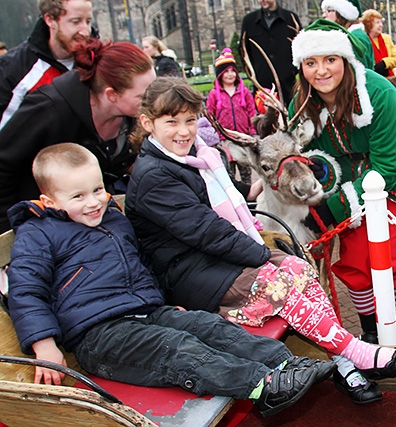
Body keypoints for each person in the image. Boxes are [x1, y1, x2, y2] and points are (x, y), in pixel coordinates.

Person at [126, 77, 396, 405]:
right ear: (147, 123)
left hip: (211, 261)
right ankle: (356, 355)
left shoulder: (195, 159)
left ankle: (345, 363)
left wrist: (262, 237)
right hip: (189, 274)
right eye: (172, 122)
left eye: (190, 120)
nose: (183, 131)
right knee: (280, 280)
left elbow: (223, 208)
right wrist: (262, 255)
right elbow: (207, 231)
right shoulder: (155, 176)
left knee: (300, 267)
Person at [7, 143, 335, 418]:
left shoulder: (114, 220)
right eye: (78, 197)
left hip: (147, 313)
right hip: (98, 335)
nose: (93, 202)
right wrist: (43, 343)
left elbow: (140, 267)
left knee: (209, 326)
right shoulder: (38, 234)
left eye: (98, 190)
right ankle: (265, 385)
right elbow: (26, 291)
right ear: (49, 201)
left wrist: (162, 302)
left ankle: (288, 364)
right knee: (178, 348)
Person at [289, 20, 396, 345]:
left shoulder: (379, 91)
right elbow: (313, 162)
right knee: (356, 260)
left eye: (330, 59)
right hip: (348, 178)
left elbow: (387, 167)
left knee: (392, 256)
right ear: (301, 66)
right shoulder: (301, 105)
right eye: (311, 62)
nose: (321, 71)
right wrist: (317, 207)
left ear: (345, 60)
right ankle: (371, 334)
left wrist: (334, 209)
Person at [0, 38, 156, 233]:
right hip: (39, 229)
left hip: (93, 224)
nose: (153, 100)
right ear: (111, 95)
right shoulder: (48, 109)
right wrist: (8, 232)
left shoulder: (132, 118)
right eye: (143, 96)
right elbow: (4, 163)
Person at [0, 0, 93, 130]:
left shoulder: (100, 61)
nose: (85, 32)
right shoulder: (14, 68)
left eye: (88, 22)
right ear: (50, 20)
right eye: (76, 22)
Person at [206, 48, 256, 185]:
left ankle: (249, 196)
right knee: (229, 172)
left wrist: (253, 132)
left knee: (246, 171)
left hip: (242, 138)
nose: (230, 74)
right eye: (226, 71)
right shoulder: (214, 94)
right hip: (225, 139)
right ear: (220, 74)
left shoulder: (244, 92)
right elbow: (210, 116)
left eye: (232, 71)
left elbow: (252, 113)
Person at [240, 0, 302, 106]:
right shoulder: (249, 21)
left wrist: (291, 71)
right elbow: (243, 50)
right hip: (262, 87)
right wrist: (254, 72)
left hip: (287, 85)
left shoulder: (290, 18)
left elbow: (300, 47)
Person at [321, 0, 374, 69]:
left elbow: (361, 73)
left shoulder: (356, 38)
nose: (324, 15)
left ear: (343, 13)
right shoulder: (349, 35)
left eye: (329, 10)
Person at [362, 9, 396, 77]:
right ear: (369, 24)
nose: (381, 25)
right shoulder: (364, 41)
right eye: (377, 22)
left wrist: (384, 63)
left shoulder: (387, 38)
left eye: (381, 22)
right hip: (373, 78)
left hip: (390, 78)